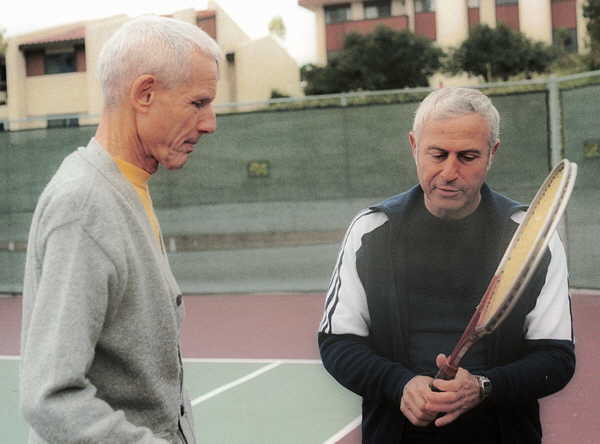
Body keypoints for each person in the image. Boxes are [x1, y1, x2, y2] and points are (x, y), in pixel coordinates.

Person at [318, 87, 575, 444]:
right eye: (437, 154)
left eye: (468, 156)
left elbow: (556, 358)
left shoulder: (532, 238)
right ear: (414, 146)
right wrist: (400, 385)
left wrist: (483, 387)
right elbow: (337, 343)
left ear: (492, 154)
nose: (449, 172)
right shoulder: (371, 230)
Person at [20, 16, 221, 444]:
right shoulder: (85, 204)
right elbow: (51, 398)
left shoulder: (128, 187)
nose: (210, 123)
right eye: (198, 103)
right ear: (144, 93)